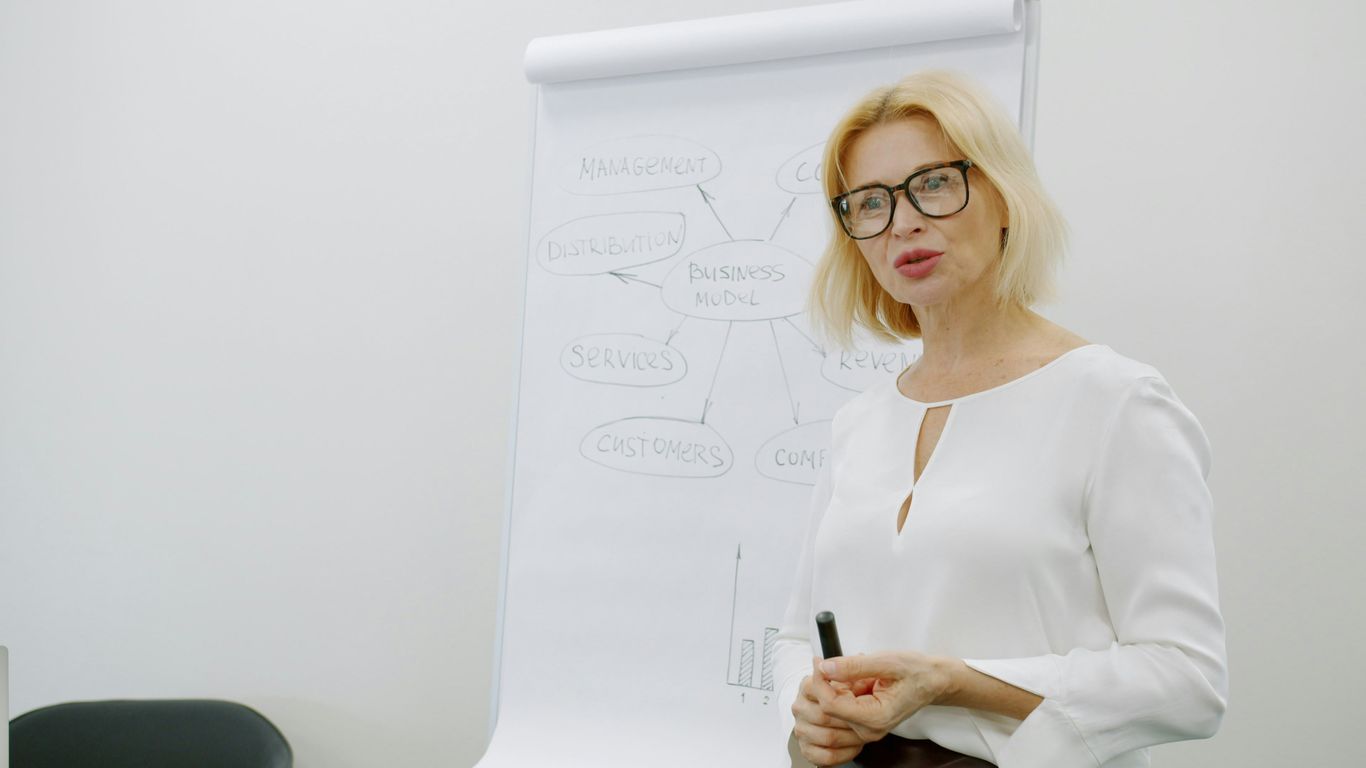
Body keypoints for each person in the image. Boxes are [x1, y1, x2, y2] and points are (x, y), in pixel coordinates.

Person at [772, 71, 1228, 768]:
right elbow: (794, 639)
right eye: (870, 203)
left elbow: (1189, 682)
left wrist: (955, 683)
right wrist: (806, 708)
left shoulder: (1115, 402)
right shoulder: (859, 423)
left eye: (932, 184)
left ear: (1004, 197)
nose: (902, 222)